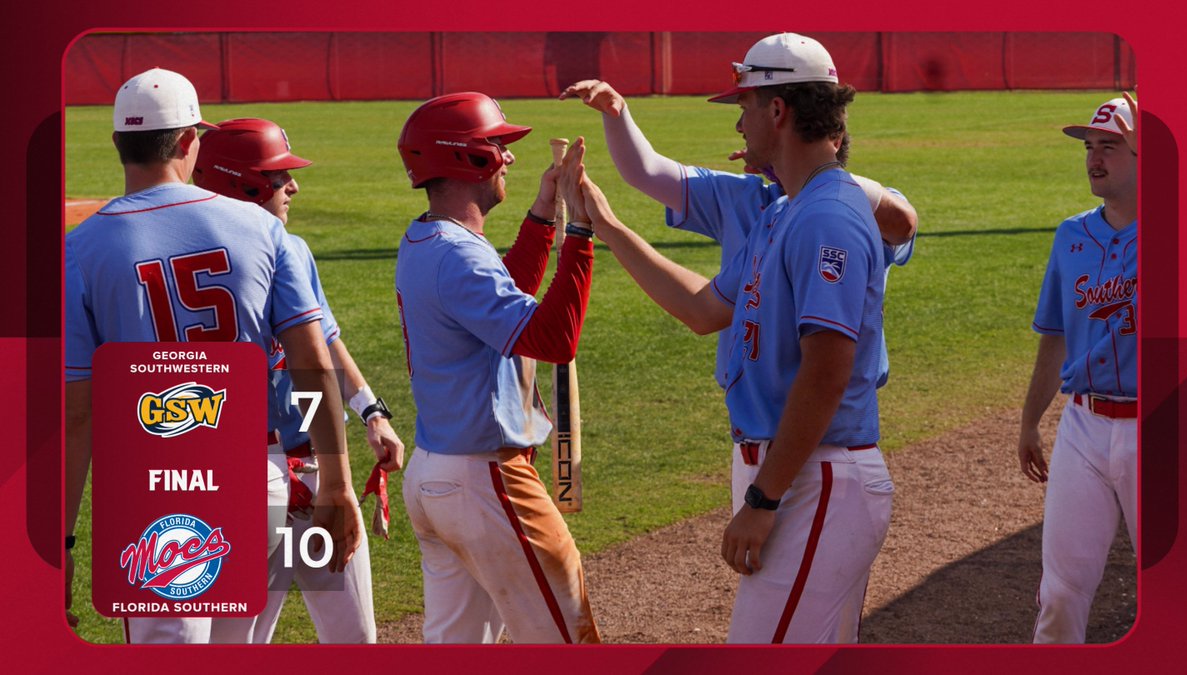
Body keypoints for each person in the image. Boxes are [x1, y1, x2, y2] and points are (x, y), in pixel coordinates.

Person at [561, 33, 892, 643]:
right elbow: (703, 308)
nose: (739, 123)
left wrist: (764, 502)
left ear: (778, 110)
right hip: (798, 474)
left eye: (744, 106)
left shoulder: (827, 216)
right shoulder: (782, 210)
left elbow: (827, 371)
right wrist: (607, 228)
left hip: (814, 481)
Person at [64, 69, 361, 643]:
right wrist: (337, 483)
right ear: (187, 142)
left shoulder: (80, 250)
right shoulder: (261, 229)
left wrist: (63, 543)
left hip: (156, 490)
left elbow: (78, 414)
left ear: (118, 145)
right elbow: (310, 362)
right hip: (260, 480)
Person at [394, 92, 600, 644]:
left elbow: (500, 299)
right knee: (570, 642)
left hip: (436, 472)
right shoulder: (458, 254)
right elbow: (553, 339)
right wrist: (579, 231)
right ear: (467, 158)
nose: (507, 158)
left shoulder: (427, 238)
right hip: (488, 481)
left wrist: (540, 213)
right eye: (498, 146)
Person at [559, 79, 917, 393]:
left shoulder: (851, 211)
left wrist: (801, 169)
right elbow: (646, 171)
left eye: (745, 110)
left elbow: (903, 222)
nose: (738, 126)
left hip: (829, 426)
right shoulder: (747, 199)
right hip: (753, 420)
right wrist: (615, 113)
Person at [192, 117, 404, 643]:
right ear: (241, 183)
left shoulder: (287, 249)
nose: (294, 186)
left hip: (293, 472)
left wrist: (371, 411)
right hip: (266, 482)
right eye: (279, 175)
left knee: (341, 640)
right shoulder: (282, 249)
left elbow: (324, 343)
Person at [1017, 92, 1138, 644]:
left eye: (1109, 146)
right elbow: (1055, 337)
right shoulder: (1071, 236)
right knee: (1062, 591)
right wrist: (1029, 421)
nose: (1094, 158)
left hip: (1158, 426)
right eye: (1090, 147)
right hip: (1083, 427)